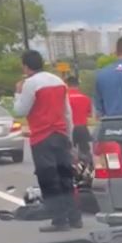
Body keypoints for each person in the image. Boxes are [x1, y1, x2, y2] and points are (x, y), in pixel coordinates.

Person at [13, 50, 80, 232]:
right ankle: (75, 217)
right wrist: (70, 137)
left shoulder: (30, 83)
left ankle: (59, 221)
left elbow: (20, 110)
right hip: (60, 135)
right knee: (66, 177)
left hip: (42, 137)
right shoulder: (58, 81)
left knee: (49, 179)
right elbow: (67, 113)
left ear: (26, 66)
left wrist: (18, 93)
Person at [66, 75, 93, 163]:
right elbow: (89, 114)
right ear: (78, 85)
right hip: (82, 128)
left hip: (70, 128)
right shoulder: (86, 98)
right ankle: (86, 170)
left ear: (67, 85)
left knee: (68, 151)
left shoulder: (65, 98)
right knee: (85, 151)